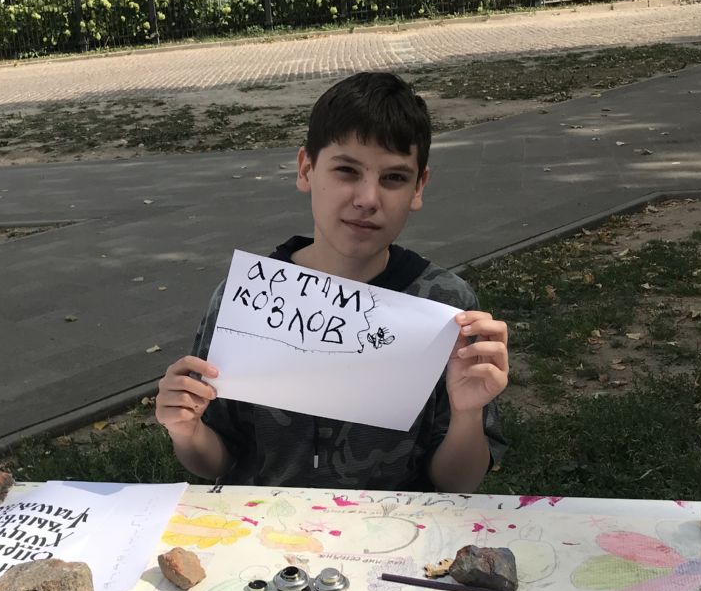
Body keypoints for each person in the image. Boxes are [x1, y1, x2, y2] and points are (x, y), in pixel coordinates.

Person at [155, 71, 509, 493]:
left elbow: (457, 484)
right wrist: (186, 429)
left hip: (395, 528)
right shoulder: (244, 300)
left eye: (394, 178)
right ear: (306, 169)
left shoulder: (446, 308)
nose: (368, 199)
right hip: (259, 526)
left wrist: (467, 414)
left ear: (419, 187)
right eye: (346, 171)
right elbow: (216, 460)